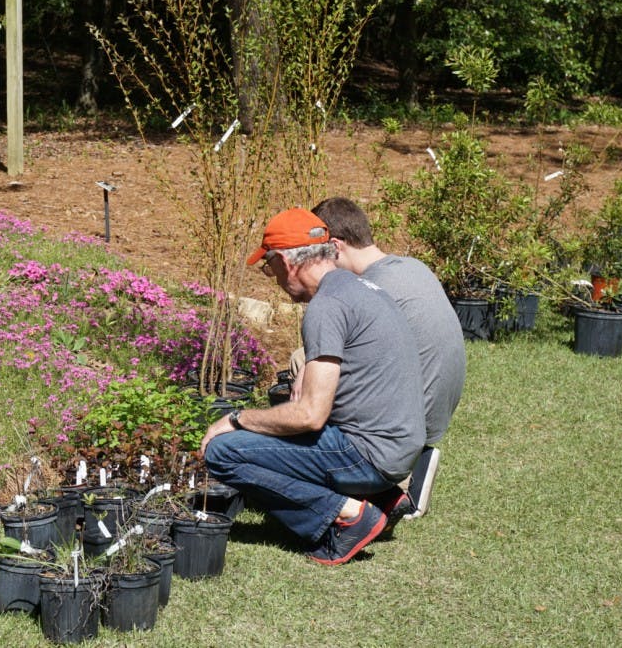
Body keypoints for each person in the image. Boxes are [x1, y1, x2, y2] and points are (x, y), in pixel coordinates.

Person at [200, 208, 425, 565]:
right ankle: (382, 498)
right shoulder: (361, 288)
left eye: (268, 266)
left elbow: (309, 415)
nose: (271, 277)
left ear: (287, 262)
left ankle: (348, 514)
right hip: (400, 450)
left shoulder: (327, 305)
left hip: (369, 456)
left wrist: (237, 419)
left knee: (224, 452)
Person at [295, 196, 466, 527]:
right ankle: (410, 466)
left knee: (301, 364)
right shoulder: (412, 267)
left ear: (335, 246)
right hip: (433, 414)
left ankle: (391, 484)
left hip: (401, 427)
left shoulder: (370, 288)